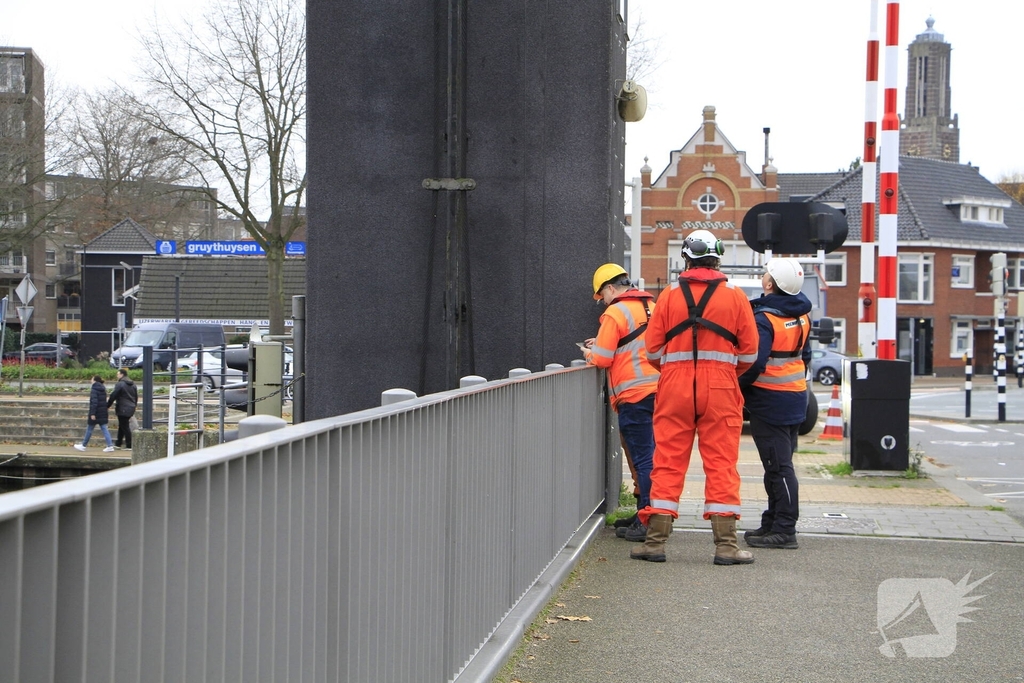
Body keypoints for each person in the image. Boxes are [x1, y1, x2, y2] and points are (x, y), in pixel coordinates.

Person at [630, 229, 759, 565]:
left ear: (686, 258)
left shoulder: (669, 295)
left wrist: (675, 369)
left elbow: (652, 350)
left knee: (668, 461)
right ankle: (727, 547)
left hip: (674, 385)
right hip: (721, 388)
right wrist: (726, 371)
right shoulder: (736, 296)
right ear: (717, 258)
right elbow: (749, 353)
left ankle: (655, 542)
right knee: (721, 464)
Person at [739, 258, 813, 550]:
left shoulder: (765, 318)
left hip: (770, 401)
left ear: (770, 284)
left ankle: (784, 529)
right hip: (796, 396)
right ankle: (772, 521)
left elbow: (754, 362)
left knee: (779, 467)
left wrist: (737, 386)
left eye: (765, 273)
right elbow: (804, 356)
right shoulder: (803, 314)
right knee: (779, 465)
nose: (763, 275)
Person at [583, 263, 659, 542]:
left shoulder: (615, 312)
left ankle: (649, 520)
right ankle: (645, 513)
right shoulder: (651, 305)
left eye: (601, 295)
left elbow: (602, 359)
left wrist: (588, 353)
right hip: (661, 390)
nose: (601, 301)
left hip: (634, 395)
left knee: (643, 459)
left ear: (611, 288)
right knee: (655, 457)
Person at [74, 375, 116, 453]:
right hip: (102, 412)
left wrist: (92, 413)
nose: (90, 380)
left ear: (95, 380)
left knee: (90, 429)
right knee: (104, 428)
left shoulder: (94, 389)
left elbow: (94, 402)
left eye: (92, 378)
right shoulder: (103, 388)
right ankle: (110, 445)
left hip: (96, 412)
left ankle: (83, 445)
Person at [107, 368, 139, 450]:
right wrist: (134, 405)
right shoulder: (133, 384)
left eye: (118, 374)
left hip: (122, 407)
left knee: (124, 426)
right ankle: (118, 443)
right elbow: (136, 396)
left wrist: (107, 405)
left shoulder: (120, 384)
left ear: (122, 374)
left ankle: (129, 444)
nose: (117, 375)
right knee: (122, 425)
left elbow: (114, 395)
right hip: (131, 407)